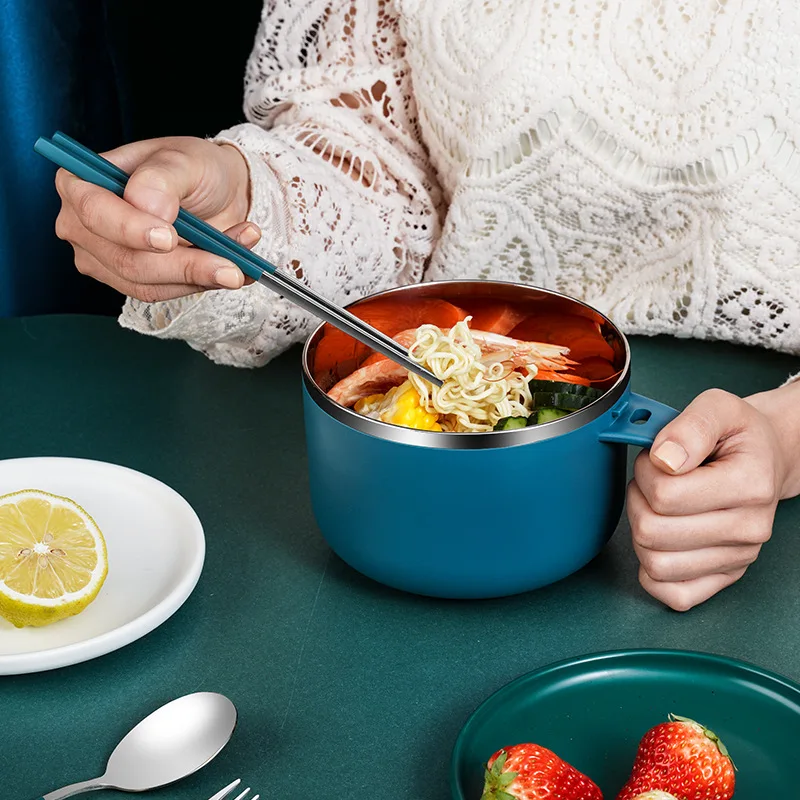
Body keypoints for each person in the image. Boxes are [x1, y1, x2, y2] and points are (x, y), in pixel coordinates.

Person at [52, 0, 799, 611]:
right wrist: (248, 197)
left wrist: (785, 436)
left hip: (747, 491)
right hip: (394, 443)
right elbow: (375, 154)